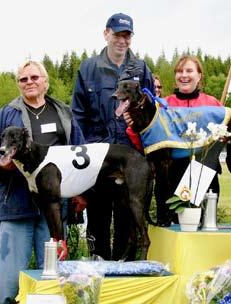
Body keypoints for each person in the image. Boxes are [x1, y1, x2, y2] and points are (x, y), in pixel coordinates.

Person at [0, 60, 84, 303]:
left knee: (54, 277)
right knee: (8, 282)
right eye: (23, 79)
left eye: (35, 77)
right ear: (18, 84)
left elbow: (80, 151)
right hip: (17, 205)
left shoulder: (63, 113)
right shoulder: (3, 116)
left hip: (55, 208)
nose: (30, 83)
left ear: (45, 82)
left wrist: (80, 192)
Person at [125, 55, 231, 225]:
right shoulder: (162, 106)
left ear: (199, 76)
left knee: (205, 229)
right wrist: (134, 127)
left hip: (206, 178)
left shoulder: (212, 104)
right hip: (172, 180)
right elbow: (148, 144)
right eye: (179, 71)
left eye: (189, 71)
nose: (183, 75)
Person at [71, 12, 154, 260]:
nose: (122, 40)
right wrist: (83, 155)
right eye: (117, 34)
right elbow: (78, 116)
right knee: (97, 218)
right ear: (106, 34)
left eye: (127, 35)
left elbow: (153, 112)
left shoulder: (141, 68)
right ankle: (97, 273)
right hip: (98, 156)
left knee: (128, 218)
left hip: (131, 157)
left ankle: (123, 274)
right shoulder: (88, 68)